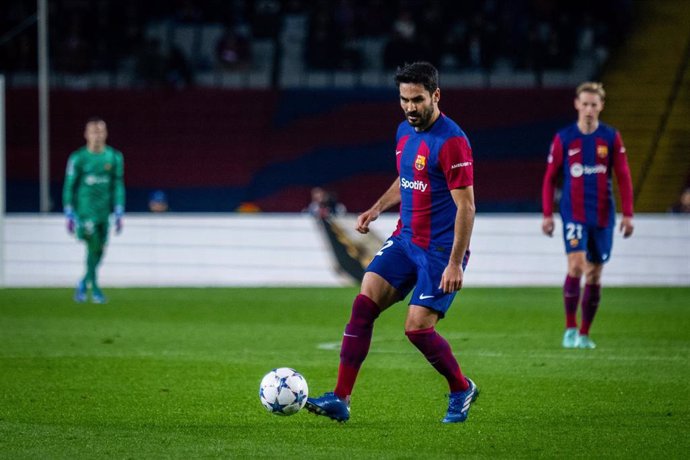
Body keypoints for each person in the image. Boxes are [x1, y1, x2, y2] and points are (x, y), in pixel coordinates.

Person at [306, 62, 478, 423]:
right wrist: (375, 208)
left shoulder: (452, 142)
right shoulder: (404, 131)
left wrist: (453, 262)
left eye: (417, 100)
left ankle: (461, 388)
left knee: (417, 328)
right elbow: (406, 180)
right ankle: (341, 398)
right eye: (404, 99)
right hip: (405, 240)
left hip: (439, 251)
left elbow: (467, 205)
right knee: (363, 305)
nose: (410, 107)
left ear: (435, 95)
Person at [541, 82, 634, 349]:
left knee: (594, 274)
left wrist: (628, 214)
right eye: (585, 104)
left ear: (601, 106)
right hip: (574, 214)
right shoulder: (564, 138)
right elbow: (550, 178)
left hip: (603, 215)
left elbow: (624, 177)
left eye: (594, 104)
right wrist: (548, 214)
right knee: (576, 266)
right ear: (577, 105)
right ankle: (570, 327)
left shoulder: (611, 137)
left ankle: (584, 333)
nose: (589, 109)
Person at [63, 117, 125, 304]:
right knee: (94, 245)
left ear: (106, 134)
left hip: (103, 212)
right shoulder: (78, 158)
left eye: (100, 132)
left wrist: (119, 208)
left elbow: (118, 184)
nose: (97, 136)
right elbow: (69, 185)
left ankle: (83, 282)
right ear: (86, 134)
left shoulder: (114, 157)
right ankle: (96, 289)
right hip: (85, 212)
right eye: (93, 132)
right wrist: (69, 210)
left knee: (100, 250)